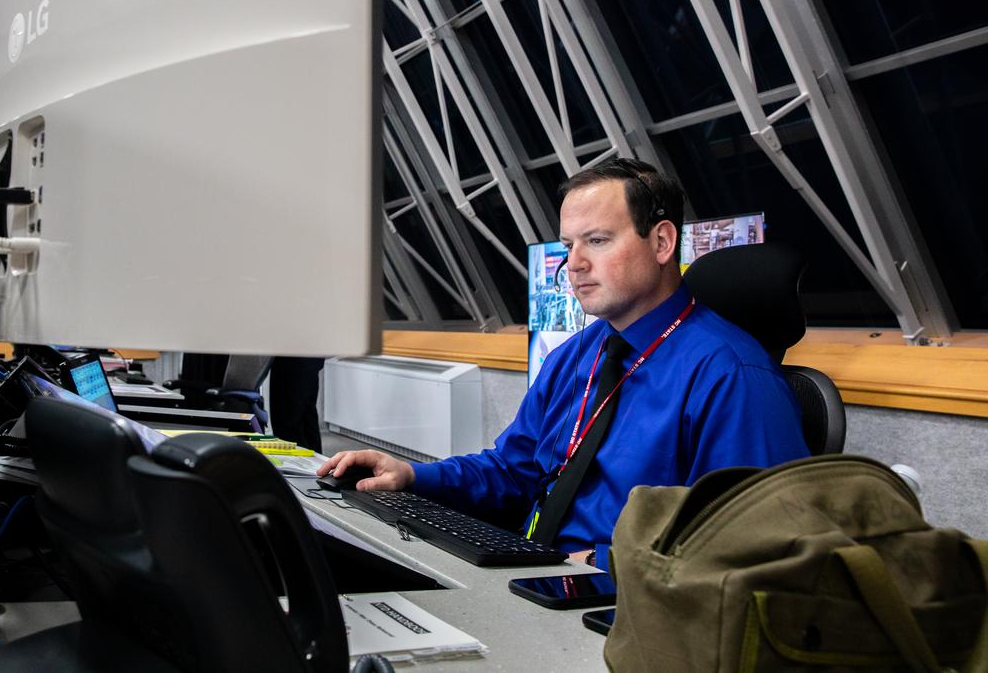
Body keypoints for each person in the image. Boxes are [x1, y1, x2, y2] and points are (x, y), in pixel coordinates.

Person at [318, 159, 808, 570]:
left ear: (661, 244)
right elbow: (514, 470)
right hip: (541, 570)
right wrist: (411, 475)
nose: (572, 264)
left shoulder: (733, 376)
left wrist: (603, 563)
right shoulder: (578, 355)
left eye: (596, 241)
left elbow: (748, 549)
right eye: (569, 245)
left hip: (626, 607)